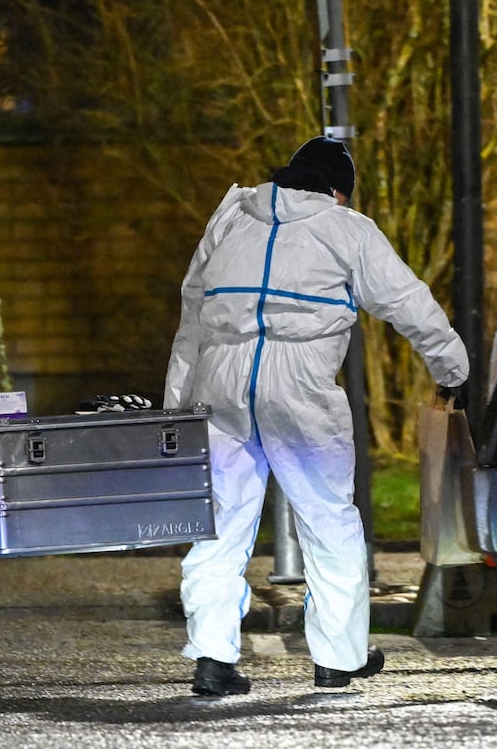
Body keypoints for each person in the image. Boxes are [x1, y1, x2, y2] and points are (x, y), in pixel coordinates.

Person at [164, 136, 470, 696]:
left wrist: (176, 405)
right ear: (336, 191)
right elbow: (408, 301)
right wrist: (452, 367)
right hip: (299, 385)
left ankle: (212, 658)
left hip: (220, 381)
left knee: (220, 522)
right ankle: (337, 657)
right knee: (329, 519)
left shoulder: (231, 219)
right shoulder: (347, 229)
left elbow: (192, 311)